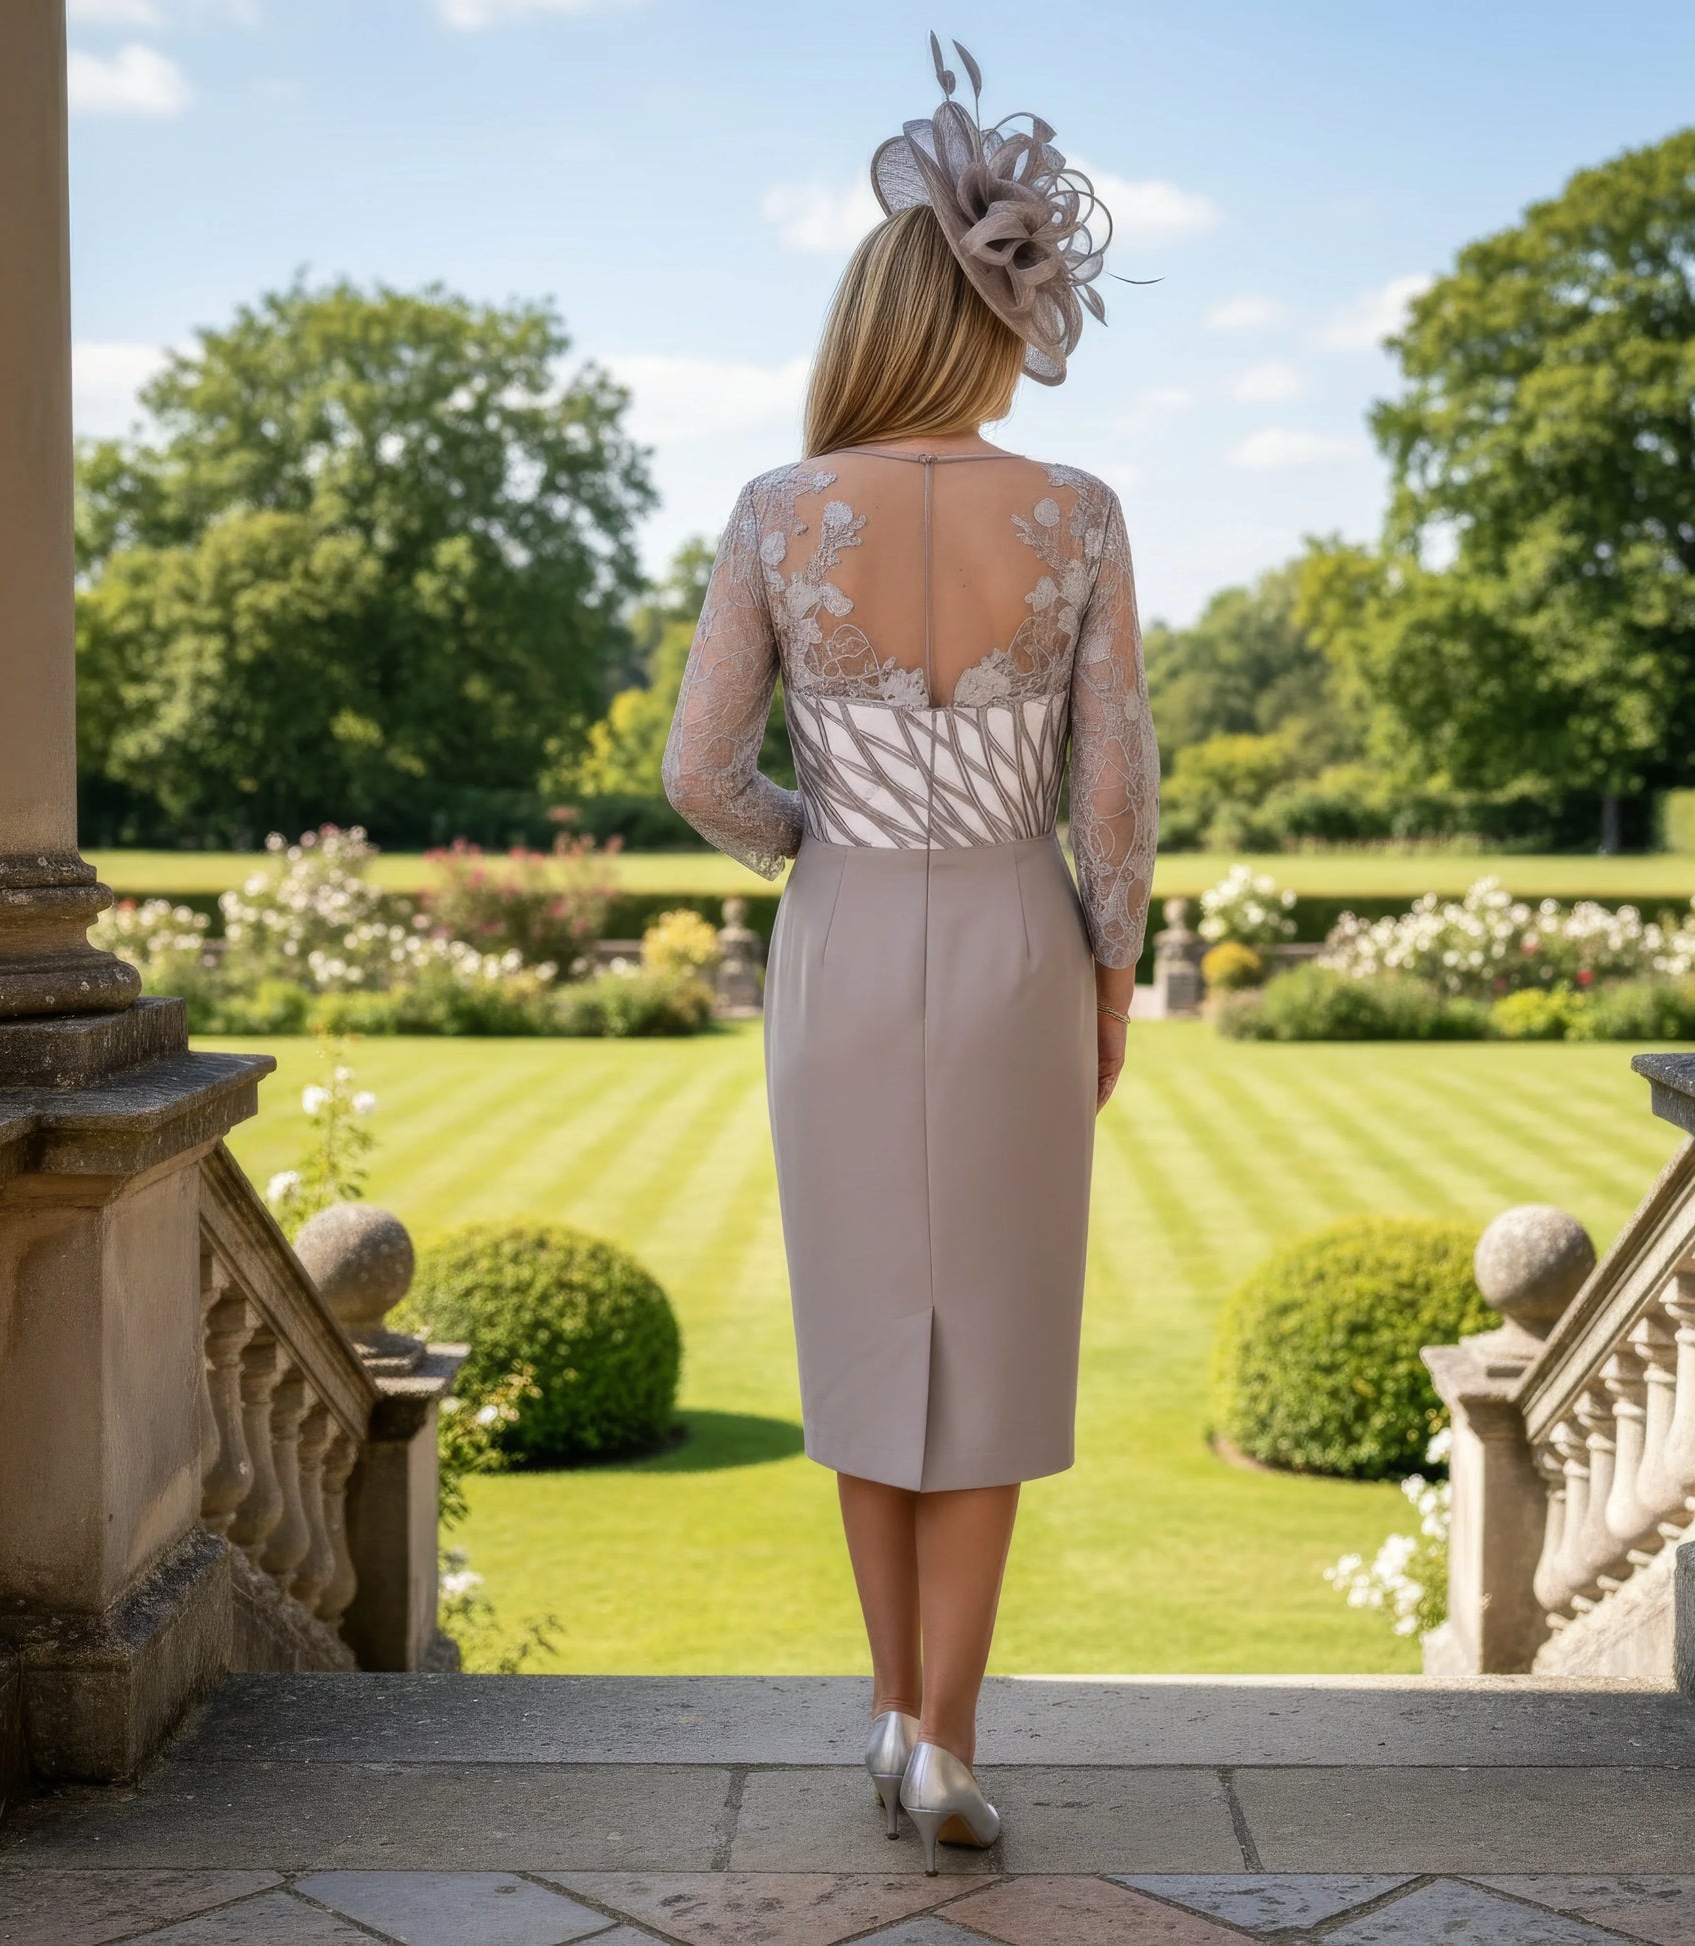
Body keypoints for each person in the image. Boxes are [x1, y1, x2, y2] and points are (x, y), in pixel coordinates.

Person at [663, 34, 1158, 1874]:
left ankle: (897, 1715)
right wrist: (1109, 975)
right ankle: (946, 1734)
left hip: (845, 943)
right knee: (1002, 1337)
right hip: (1021, 942)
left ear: (871, 323)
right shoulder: (1080, 513)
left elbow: (700, 772)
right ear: (995, 317)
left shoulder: (777, 515)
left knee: (873, 1327)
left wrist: (822, 849)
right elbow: (1113, 799)